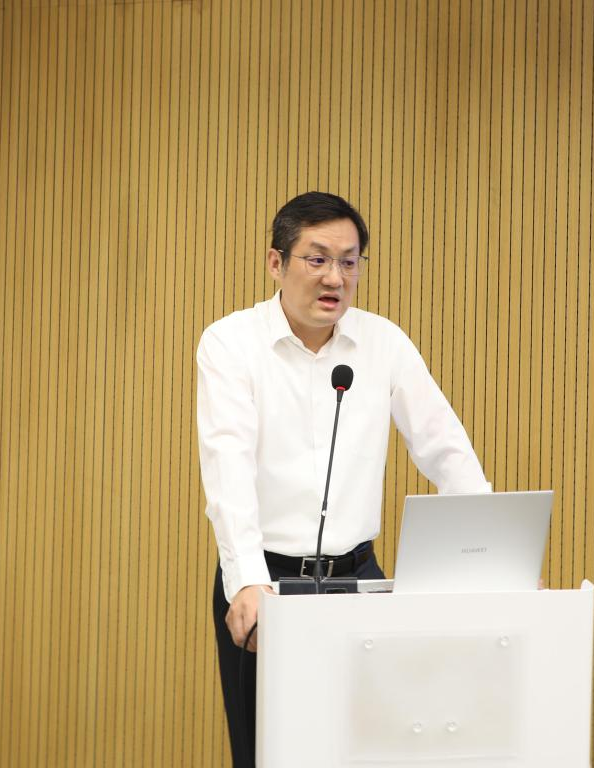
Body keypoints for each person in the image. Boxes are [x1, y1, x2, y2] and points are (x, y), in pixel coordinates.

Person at [194, 191, 490, 767]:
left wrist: (489, 554)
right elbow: (227, 466)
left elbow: (446, 448)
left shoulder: (383, 342)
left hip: (360, 580)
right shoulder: (230, 343)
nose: (335, 277)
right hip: (268, 581)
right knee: (266, 753)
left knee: (369, 751)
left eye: (349, 262)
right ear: (276, 262)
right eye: (317, 259)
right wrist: (247, 581)